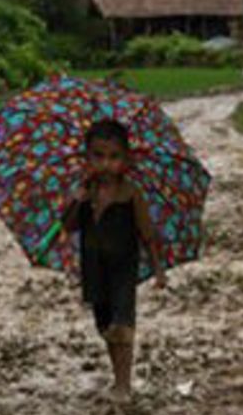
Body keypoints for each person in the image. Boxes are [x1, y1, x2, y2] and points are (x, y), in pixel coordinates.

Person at [62, 119, 167, 399]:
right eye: (98, 156)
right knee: (106, 326)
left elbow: (147, 233)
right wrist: (76, 201)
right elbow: (68, 226)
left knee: (122, 325)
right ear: (86, 158)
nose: (105, 164)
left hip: (123, 268)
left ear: (126, 160)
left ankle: (124, 384)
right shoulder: (85, 193)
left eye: (113, 156)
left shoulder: (131, 194)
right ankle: (117, 375)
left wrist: (158, 269)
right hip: (94, 268)